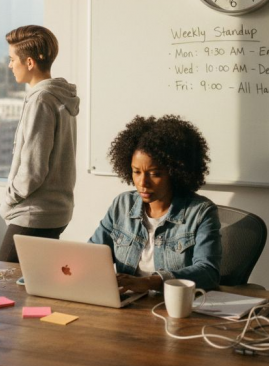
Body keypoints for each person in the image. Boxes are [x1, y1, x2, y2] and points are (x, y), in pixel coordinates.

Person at [89, 115, 221, 292]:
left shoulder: (200, 212)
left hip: (173, 306)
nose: (142, 182)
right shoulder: (122, 204)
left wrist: (151, 283)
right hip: (128, 304)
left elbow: (208, 272)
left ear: (175, 172)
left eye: (154, 174)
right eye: (136, 172)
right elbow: (92, 255)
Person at [0, 25, 80, 263]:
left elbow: (33, 170)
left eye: (13, 59)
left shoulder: (42, 100)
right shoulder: (59, 97)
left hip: (34, 214)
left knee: (4, 279)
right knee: (33, 284)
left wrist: (9, 200)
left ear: (30, 62)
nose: (10, 65)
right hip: (55, 211)